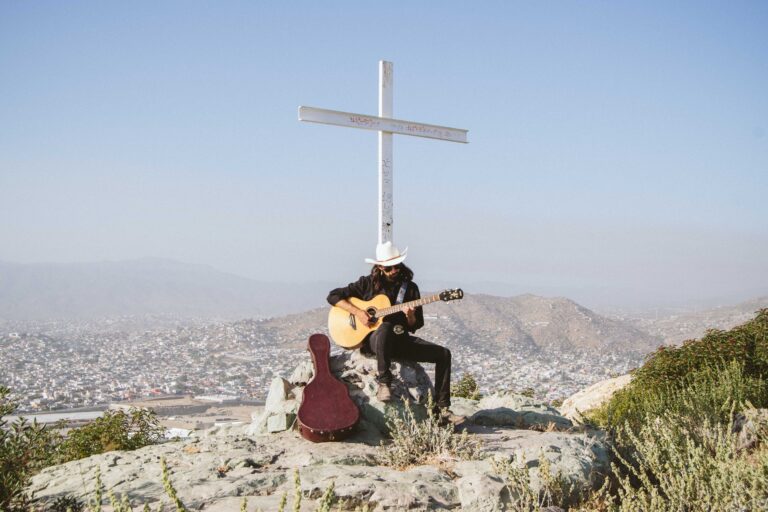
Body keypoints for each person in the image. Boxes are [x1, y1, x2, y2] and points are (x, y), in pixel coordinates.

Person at [327, 241, 463, 425]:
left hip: (400, 340)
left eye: (397, 266)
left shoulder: (410, 288)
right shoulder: (366, 284)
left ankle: (443, 410)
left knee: (443, 354)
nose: (394, 270)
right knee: (384, 328)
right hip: (375, 341)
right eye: (389, 267)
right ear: (380, 267)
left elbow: (416, 325)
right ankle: (384, 382)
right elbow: (333, 296)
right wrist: (359, 313)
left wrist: (411, 316)